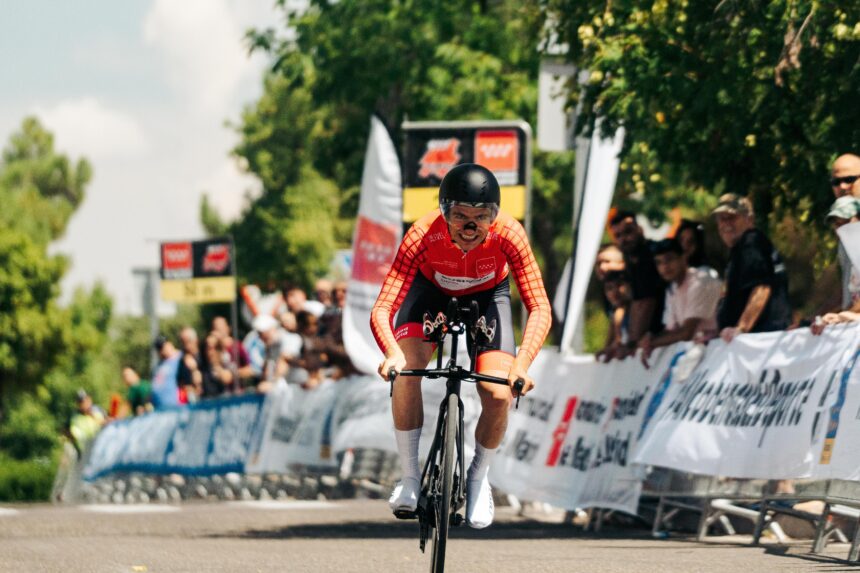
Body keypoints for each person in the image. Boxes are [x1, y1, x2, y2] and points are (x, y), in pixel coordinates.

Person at [370, 163, 552, 529]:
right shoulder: (421, 234)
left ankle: (478, 477)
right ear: (444, 213)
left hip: (489, 297)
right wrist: (391, 352)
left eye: (481, 217)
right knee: (406, 371)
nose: (470, 228)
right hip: (430, 292)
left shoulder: (511, 235)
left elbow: (539, 306)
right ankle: (409, 478)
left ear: (494, 216)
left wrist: (522, 364)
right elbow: (384, 307)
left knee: (498, 393)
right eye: (460, 216)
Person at [712, 194, 791, 342]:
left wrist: (741, 328)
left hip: (762, 340)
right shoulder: (743, 248)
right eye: (721, 219)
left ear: (749, 219)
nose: (726, 224)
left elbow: (761, 288)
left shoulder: (751, 242)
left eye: (732, 217)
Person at [638, 238, 722, 367]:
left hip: (717, 353)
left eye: (669, 259)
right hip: (698, 356)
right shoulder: (672, 289)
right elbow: (671, 330)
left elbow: (687, 333)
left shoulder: (701, 281)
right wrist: (649, 338)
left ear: (684, 257)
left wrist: (652, 343)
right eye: (659, 263)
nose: (664, 267)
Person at [608, 212, 666, 348]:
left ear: (640, 229)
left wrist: (632, 344)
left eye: (628, 232)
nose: (624, 239)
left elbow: (646, 302)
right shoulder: (631, 263)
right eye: (618, 236)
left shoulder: (652, 256)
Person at [812, 196, 860, 334]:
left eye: (846, 221)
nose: (841, 228)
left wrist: (846, 316)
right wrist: (832, 316)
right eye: (837, 224)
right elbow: (848, 292)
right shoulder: (844, 247)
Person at [596, 270, 633, 362]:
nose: (615, 292)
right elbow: (613, 343)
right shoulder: (615, 315)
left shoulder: (635, 309)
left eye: (619, 285)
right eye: (609, 288)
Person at [69, 390, 106, 455]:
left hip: (104, 445)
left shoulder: (98, 410)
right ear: (78, 405)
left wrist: (92, 415)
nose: (85, 404)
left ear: (90, 400)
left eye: (86, 400)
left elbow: (106, 424)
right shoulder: (75, 419)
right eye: (81, 402)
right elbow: (77, 436)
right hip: (89, 451)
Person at [151, 335, 183, 409]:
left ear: (170, 343)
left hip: (176, 406)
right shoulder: (159, 365)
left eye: (163, 346)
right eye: (159, 348)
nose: (162, 350)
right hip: (159, 408)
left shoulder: (181, 358)